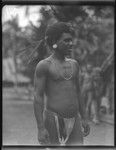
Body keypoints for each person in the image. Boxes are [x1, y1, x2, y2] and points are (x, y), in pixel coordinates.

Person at [33, 22, 90, 145]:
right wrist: (41, 128)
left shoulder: (74, 64)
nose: (71, 44)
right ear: (54, 42)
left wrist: (84, 117)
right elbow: (38, 97)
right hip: (53, 120)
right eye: (66, 41)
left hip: (75, 120)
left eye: (71, 40)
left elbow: (78, 92)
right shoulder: (44, 65)